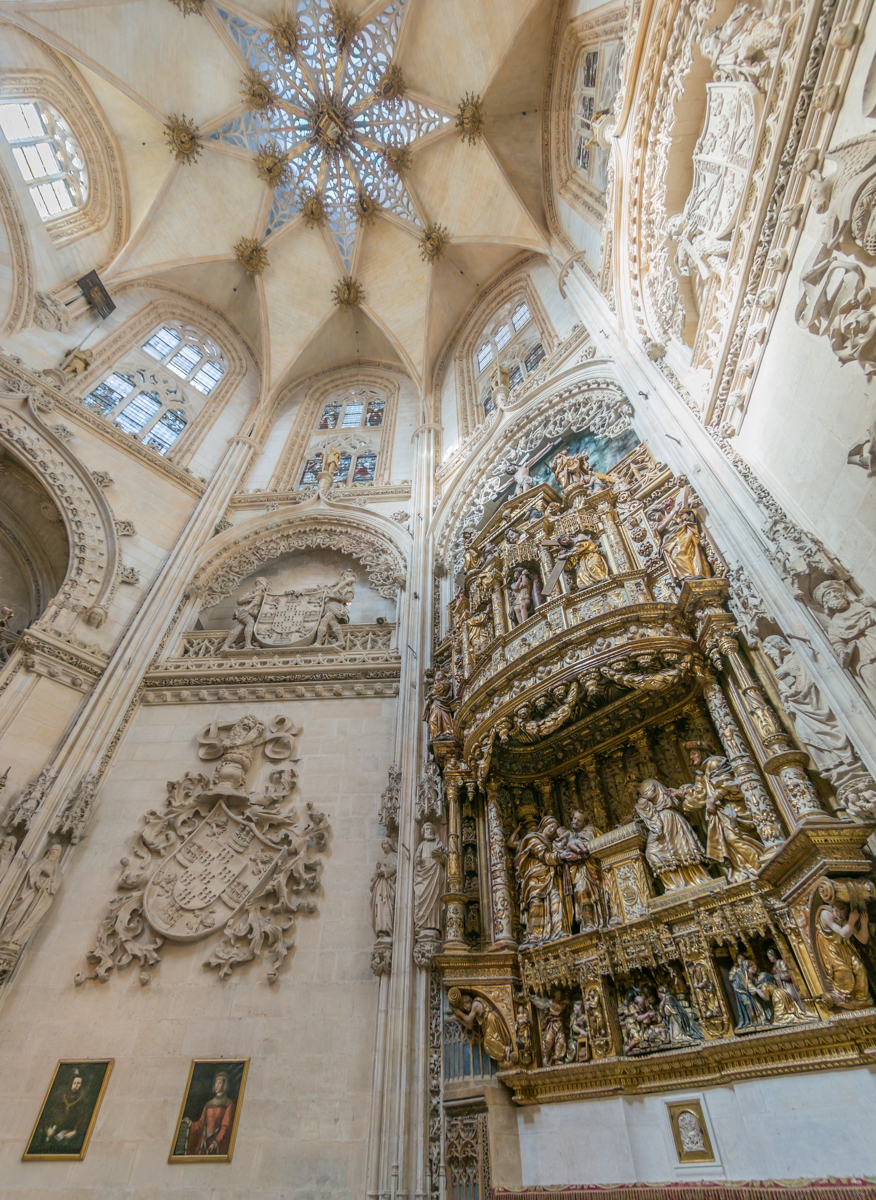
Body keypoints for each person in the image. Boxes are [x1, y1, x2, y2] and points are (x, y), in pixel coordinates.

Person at [635, 779, 710, 890]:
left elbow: (646, 801)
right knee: (664, 852)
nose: (629, 791)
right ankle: (675, 884)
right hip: (666, 818)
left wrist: (639, 805)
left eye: (629, 787)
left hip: (666, 819)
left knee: (667, 850)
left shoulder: (647, 784)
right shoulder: (647, 787)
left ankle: (695, 880)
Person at [513, 816, 568, 944]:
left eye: (554, 828)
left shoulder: (551, 843)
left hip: (550, 876)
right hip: (535, 878)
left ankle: (558, 930)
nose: (552, 829)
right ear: (544, 825)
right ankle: (534, 935)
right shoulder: (533, 839)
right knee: (536, 905)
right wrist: (561, 856)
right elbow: (544, 856)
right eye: (550, 826)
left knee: (556, 900)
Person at [186, 1071, 236, 1156]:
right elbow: (201, 1123)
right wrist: (190, 1124)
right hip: (203, 1142)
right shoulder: (209, 1103)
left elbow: (226, 1126)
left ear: (224, 1085)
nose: (217, 1085)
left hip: (217, 1143)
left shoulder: (229, 1103)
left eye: (219, 1083)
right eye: (216, 1082)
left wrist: (216, 1142)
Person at [39, 1069, 90, 1151]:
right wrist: (49, 1128)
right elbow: (50, 1114)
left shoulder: (83, 1101)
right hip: (54, 1129)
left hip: (69, 1132)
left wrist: (75, 1132)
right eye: (74, 1083)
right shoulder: (61, 1096)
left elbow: (84, 1119)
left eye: (79, 1083)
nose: (76, 1085)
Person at [412, 823, 446, 935]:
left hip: (435, 872)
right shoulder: (422, 844)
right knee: (421, 895)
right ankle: (422, 924)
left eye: (431, 829)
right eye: (426, 829)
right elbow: (416, 858)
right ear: (423, 832)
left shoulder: (438, 843)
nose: (429, 831)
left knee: (435, 898)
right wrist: (418, 860)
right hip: (423, 873)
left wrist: (440, 856)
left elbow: (446, 859)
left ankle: (433, 926)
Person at [729, 952, 768, 1031]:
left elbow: (752, 978)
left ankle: (757, 1020)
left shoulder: (746, 969)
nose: (740, 960)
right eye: (739, 958)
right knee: (747, 1004)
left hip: (748, 990)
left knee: (754, 1004)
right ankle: (750, 1021)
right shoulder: (736, 969)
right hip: (740, 990)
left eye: (742, 958)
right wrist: (737, 976)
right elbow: (731, 978)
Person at [370, 837, 397, 939]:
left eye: (385, 844)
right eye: (382, 845)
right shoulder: (382, 858)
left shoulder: (394, 856)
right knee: (379, 903)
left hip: (387, 885)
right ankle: (381, 927)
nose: (383, 847)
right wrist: (376, 874)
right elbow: (376, 872)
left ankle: (386, 927)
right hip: (380, 884)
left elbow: (396, 868)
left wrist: (384, 872)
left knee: (386, 903)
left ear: (390, 844)